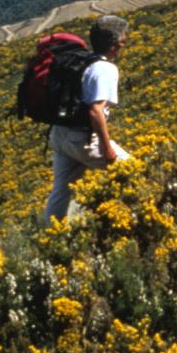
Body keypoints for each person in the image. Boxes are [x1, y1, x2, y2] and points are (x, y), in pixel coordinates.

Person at [44, 15, 131, 223]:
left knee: (61, 190)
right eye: (122, 42)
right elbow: (95, 111)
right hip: (81, 138)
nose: (122, 46)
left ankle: (50, 238)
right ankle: (132, 222)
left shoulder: (82, 61)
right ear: (114, 46)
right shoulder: (106, 69)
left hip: (59, 133)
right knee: (134, 171)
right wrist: (107, 149)